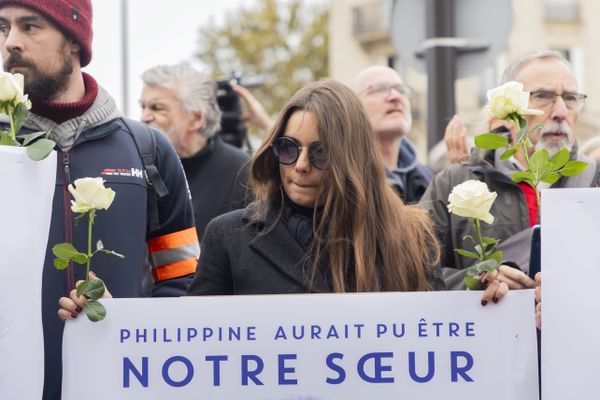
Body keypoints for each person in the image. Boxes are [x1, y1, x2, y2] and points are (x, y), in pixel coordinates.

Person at [0, 1, 199, 399]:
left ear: (74, 39)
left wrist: (129, 325)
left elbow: (183, 277)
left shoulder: (147, 148)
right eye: (4, 28)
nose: (11, 43)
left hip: (119, 386)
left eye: (31, 26)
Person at [183, 78, 509, 305]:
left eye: (320, 153)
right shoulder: (228, 235)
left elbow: (435, 339)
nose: (300, 165)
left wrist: (483, 300)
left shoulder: (411, 238)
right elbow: (197, 341)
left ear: (351, 159)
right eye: (288, 148)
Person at [420, 50, 600, 290]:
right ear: (506, 113)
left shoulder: (594, 179)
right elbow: (414, 271)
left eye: (570, 98)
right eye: (543, 96)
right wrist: (476, 281)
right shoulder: (455, 183)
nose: (560, 112)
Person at [140, 63, 250, 239]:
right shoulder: (139, 169)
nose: (144, 117)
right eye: (142, 107)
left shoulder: (243, 172)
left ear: (196, 119)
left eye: (157, 108)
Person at [354, 65, 433, 203]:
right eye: (379, 89)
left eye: (401, 90)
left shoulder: (430, 179)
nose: (395, 96)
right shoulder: (344, 180)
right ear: (353, 107)